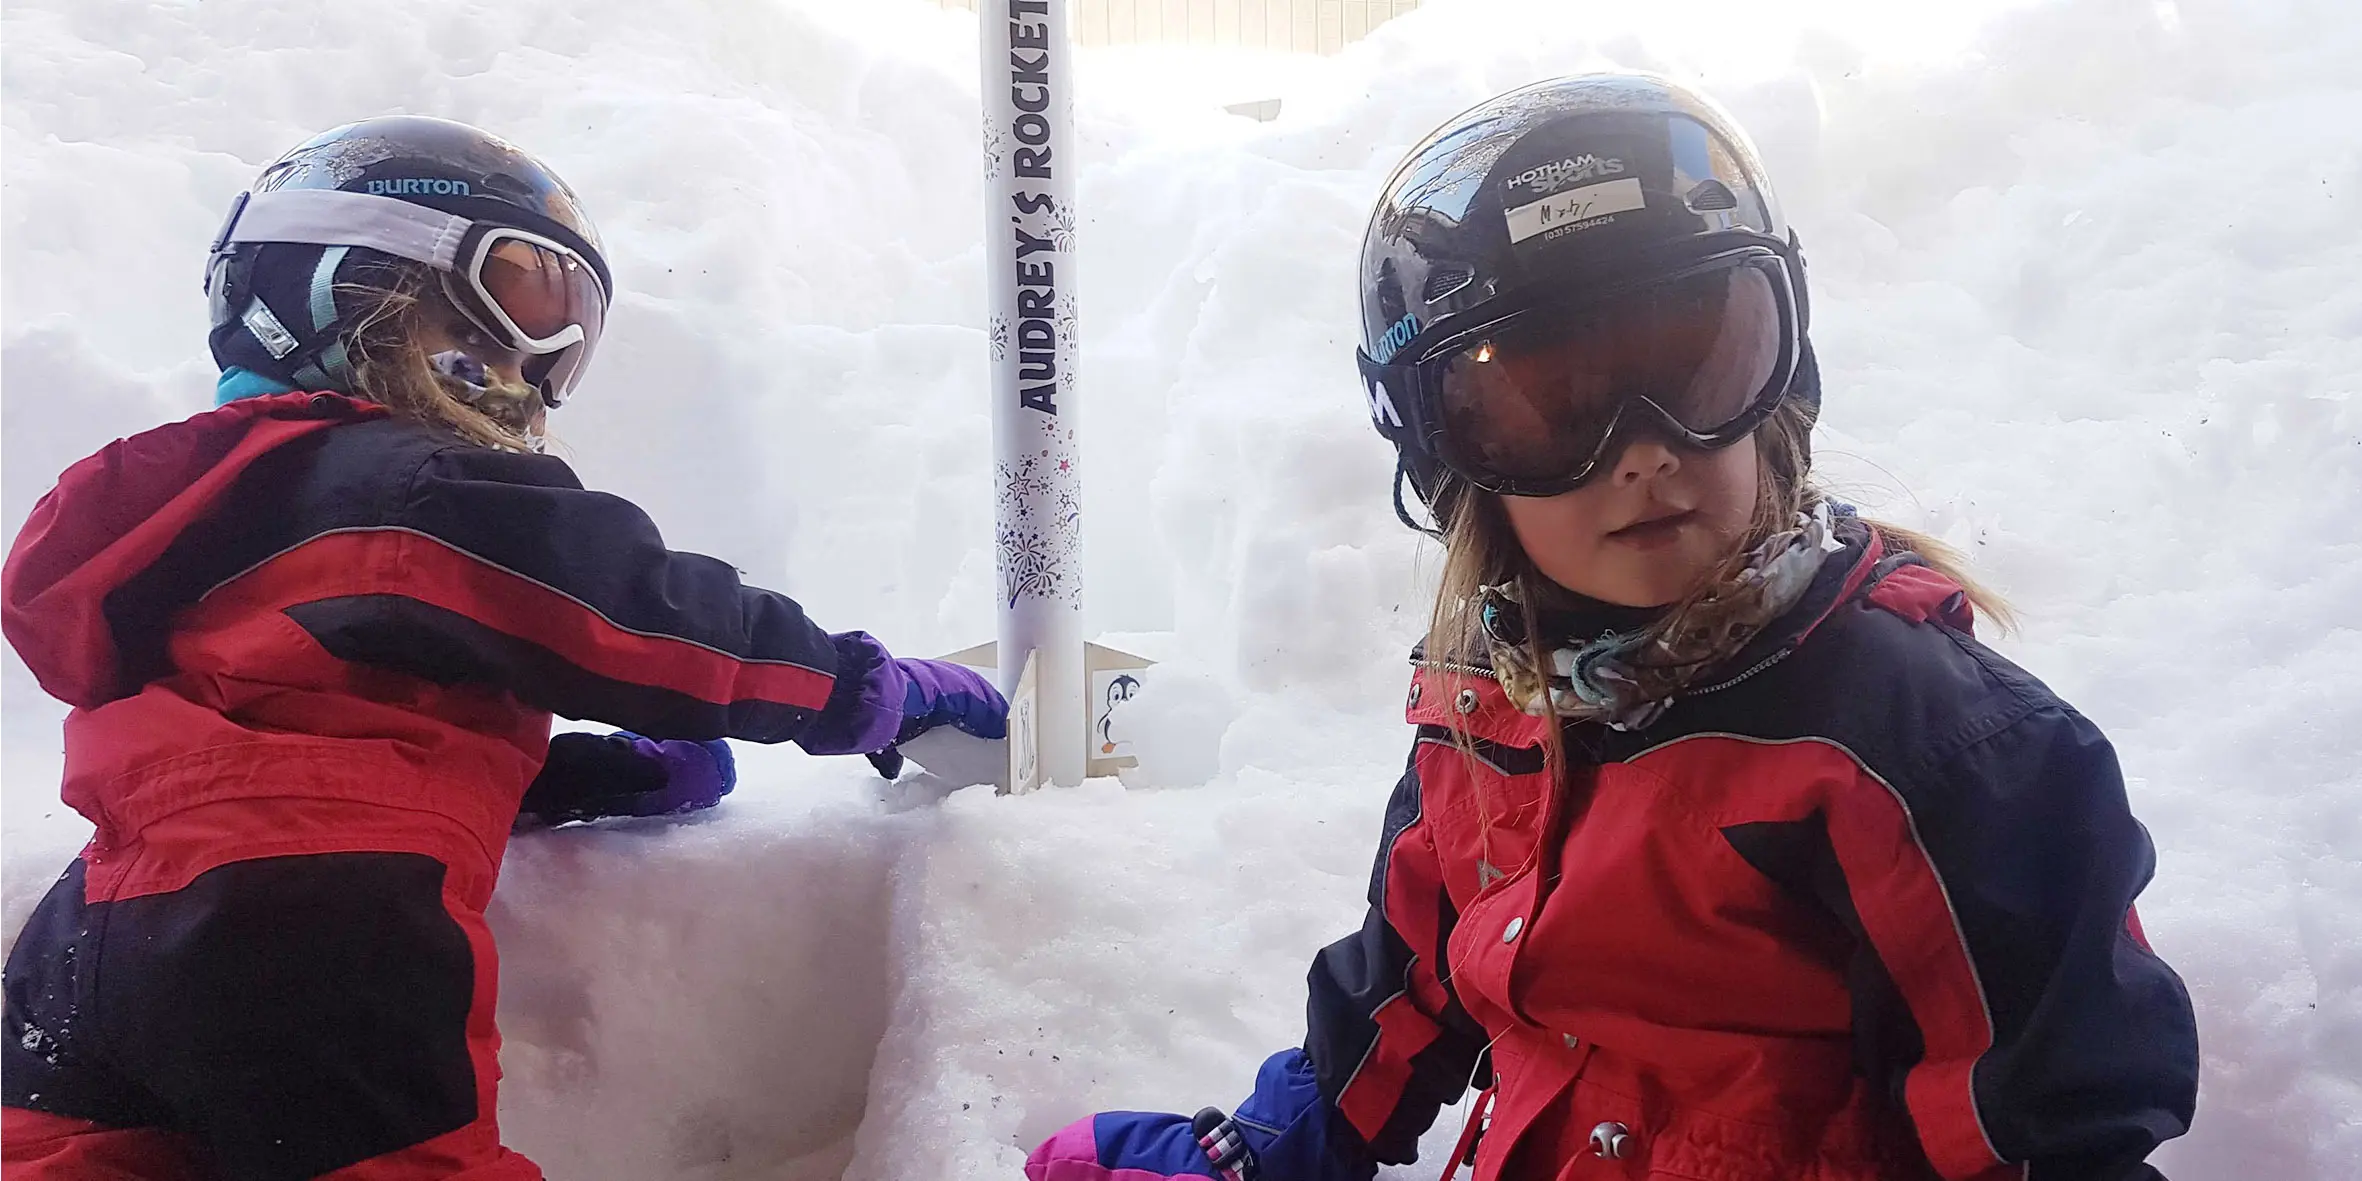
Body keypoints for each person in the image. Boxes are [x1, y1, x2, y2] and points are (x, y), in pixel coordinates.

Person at [1024, 73, 2198, 1181]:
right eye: (1548, 410)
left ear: (1775, 383)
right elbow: (1415, 969)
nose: (1643, 451)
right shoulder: (1491, 704)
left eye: (1695, 369)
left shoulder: (1927, 754)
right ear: (1455, 461)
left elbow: (2052, 1122)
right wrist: (1290, 1135)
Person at [0, 115, 1005, 1179]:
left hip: (88, 939)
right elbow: (643, 616)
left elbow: (279, 744)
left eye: (573, 323)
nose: (541, 355)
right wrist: (871, 691)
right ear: (343, 283)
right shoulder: (415, 490)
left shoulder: (195, 521)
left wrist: (561, 774)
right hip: (313, 932)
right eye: (525, 290)